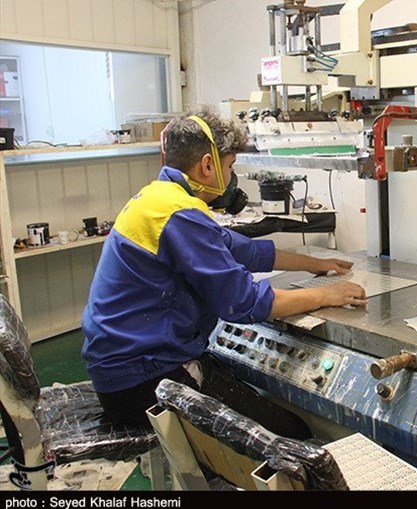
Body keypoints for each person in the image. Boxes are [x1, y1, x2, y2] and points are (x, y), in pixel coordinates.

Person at [81, 105, 367, 438]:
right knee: (293, 434)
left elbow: (239, 249)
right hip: (145, 382)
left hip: (121, 372)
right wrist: (325, 295)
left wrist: (316, 263)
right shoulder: (180, 216)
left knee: (251, 397)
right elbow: (244, 303)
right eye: (230, 166)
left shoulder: (160, 199)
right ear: (207, 165)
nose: (231, 176)